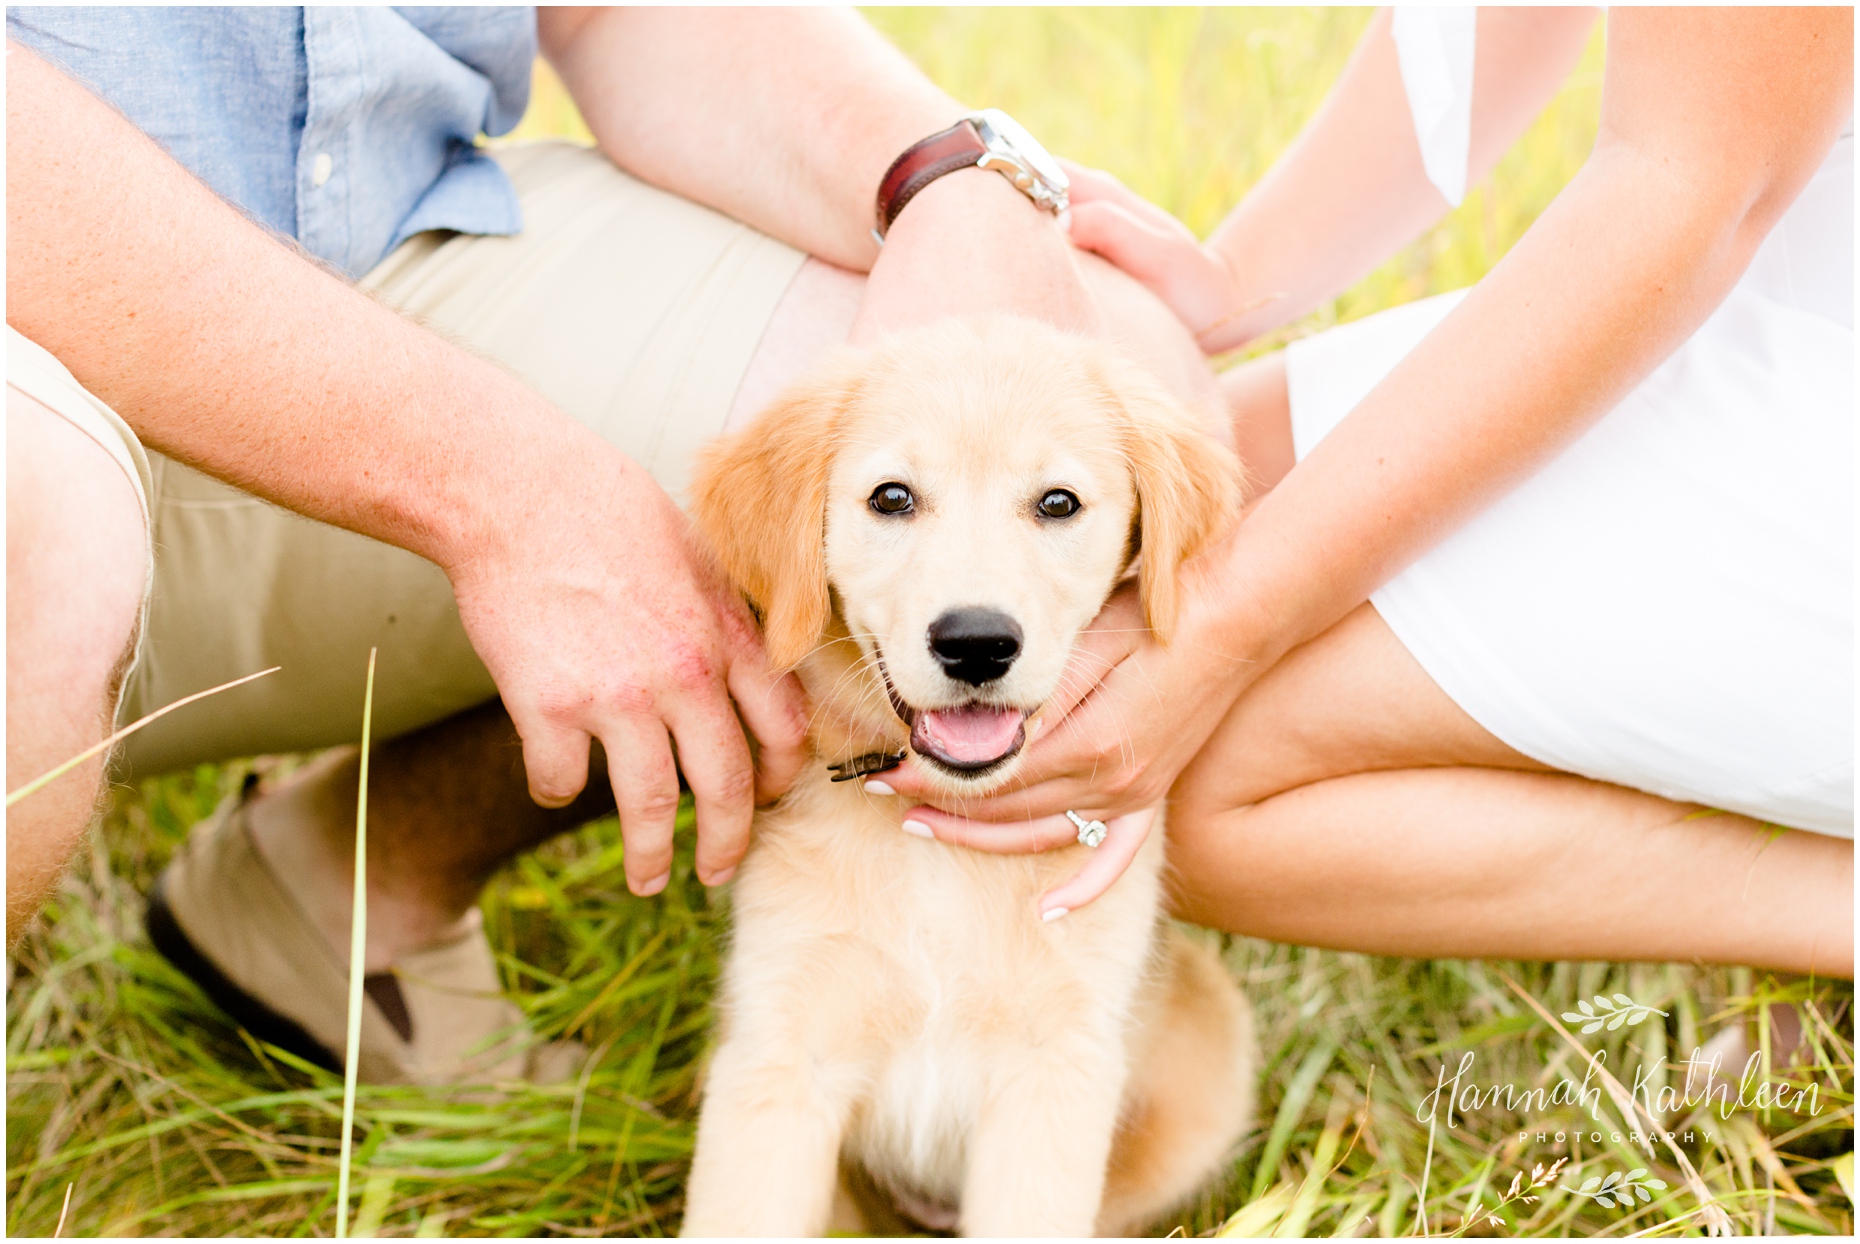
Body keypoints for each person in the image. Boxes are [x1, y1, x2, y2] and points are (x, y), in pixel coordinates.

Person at [5, 7, 1207, 1082]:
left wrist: (943, 180)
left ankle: (360, 877)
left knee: (1066, 372)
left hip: (389, 257)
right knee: (35, 522)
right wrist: (506, 487)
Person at [880, 7, 1855, 978]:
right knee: (1170, 495)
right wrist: (1238, 277)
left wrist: (1229, 619)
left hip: (1784, 317)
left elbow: (1695, 180)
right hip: (1786, 286)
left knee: (1189, 769)